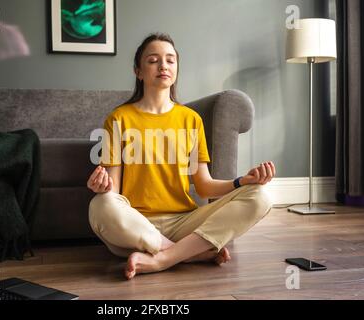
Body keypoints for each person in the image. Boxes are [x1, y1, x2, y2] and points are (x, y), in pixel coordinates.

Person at [87, 33, 274, 280]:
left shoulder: (191, 120)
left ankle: (164, 258)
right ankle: (190, 253)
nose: (163, 65)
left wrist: (242, 182)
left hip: (185, 223)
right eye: (153, 60)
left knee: (260, 196)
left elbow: (205, 187)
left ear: (176, 69)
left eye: (170, 60)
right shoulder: (119, 119)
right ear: (139, 71)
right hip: (136, 228)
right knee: (100, 205)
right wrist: (101, 187)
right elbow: (114, 193)